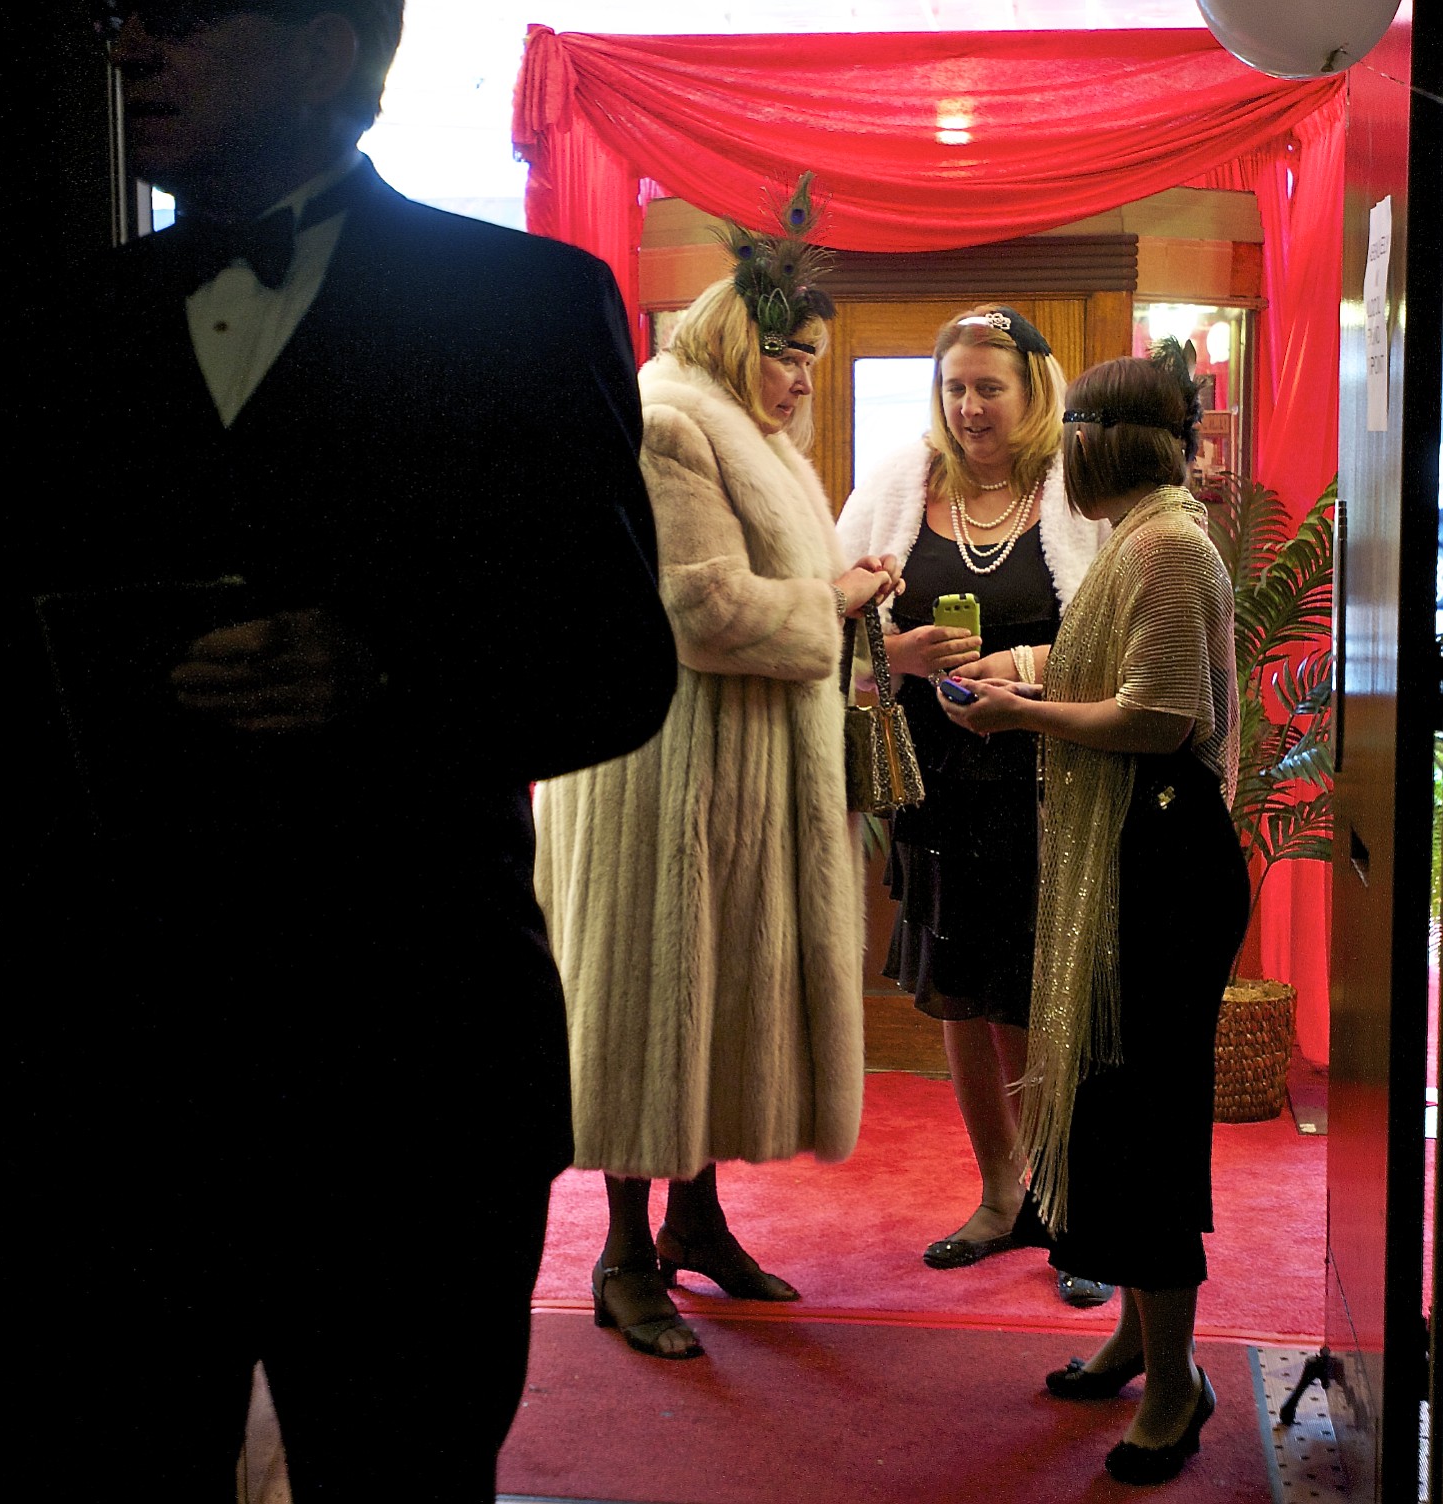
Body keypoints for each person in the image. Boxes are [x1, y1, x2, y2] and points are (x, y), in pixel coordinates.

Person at [0, 1, 678, 1495]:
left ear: (333, 44)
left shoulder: (526, 304)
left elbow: (615, 671)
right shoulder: (55, 324)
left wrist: (392, 672)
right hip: (108, 1068)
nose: (127, 53)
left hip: (408, 1062)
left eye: (179, 20)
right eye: (116, 20)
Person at [535, 207, 900, 1362]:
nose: (801, 380)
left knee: (709, 1000)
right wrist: (833, 601)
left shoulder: (747, 433)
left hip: (735, 770)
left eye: (812, 361)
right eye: (790, 354)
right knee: (655, 1003)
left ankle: (694, 1221)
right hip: (664, 776)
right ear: (741, 336)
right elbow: (697, 608)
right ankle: (621, 1255)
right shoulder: (667, 422)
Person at [939, 350, 1248, 1486]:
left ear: (1101, 444)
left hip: (1162, 864)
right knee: (1115, 1115)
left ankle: (1175, 1384)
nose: (1058, 455)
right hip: (1140, 855)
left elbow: (1158, 719)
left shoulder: (1164, 543)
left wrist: (1023, 719)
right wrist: (1014, 673)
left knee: (1147, 1123)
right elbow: (1096, 661)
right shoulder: (1145, 533)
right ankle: (1134, 1339)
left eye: (1069, 434)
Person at [835, 304, 1113, 1308]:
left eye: (986, 385)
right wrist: (894, 654)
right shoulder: (900, 484)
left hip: (1051, 786)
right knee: (958, 992)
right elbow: (832, 608)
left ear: (1031, 389)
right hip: (936, 789)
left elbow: (1129, 632)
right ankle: (1000, 1195)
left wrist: (1025, 665)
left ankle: (1075, 1205)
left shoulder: (1079, 487)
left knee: (1049, 1004)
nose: (966, 404)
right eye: (952, 385)